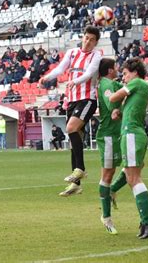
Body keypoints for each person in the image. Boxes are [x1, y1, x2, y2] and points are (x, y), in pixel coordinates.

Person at [38, 26, 102, 196]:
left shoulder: (96, 55)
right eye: (86, 37)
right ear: (83, 37)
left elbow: (89, 74)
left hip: (87, 98)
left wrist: (76, 81)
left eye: (92, 40)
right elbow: (60, 69)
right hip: (72, 100)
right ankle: (76, 184)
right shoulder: (72, 52)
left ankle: (80, 169)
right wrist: (47, 77)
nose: (88, 42)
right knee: (75, 139)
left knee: (71, 128)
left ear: (96, 42)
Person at [109, 57, 148, 239]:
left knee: (134, 178)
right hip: (135, 132)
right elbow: (131, 106)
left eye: (125, 73)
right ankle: (113, 190)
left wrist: (108, 93)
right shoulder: (141, 85)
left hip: (131, 133)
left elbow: (114, 97)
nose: (123, 77)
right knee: (131, 172)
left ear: (135, 72)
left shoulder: (137, 83)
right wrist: (119, 111)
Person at [95, 58, 125, 234]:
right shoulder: (106, 84)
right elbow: (110, 105)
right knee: (107, 174)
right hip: (108, 135)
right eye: (116, 66)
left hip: (120, 132)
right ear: (110, 69)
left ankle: (113, 190)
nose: (118, 68)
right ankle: (106, 217)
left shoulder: (114, 83)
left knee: (135, 164)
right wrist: (120, 110)